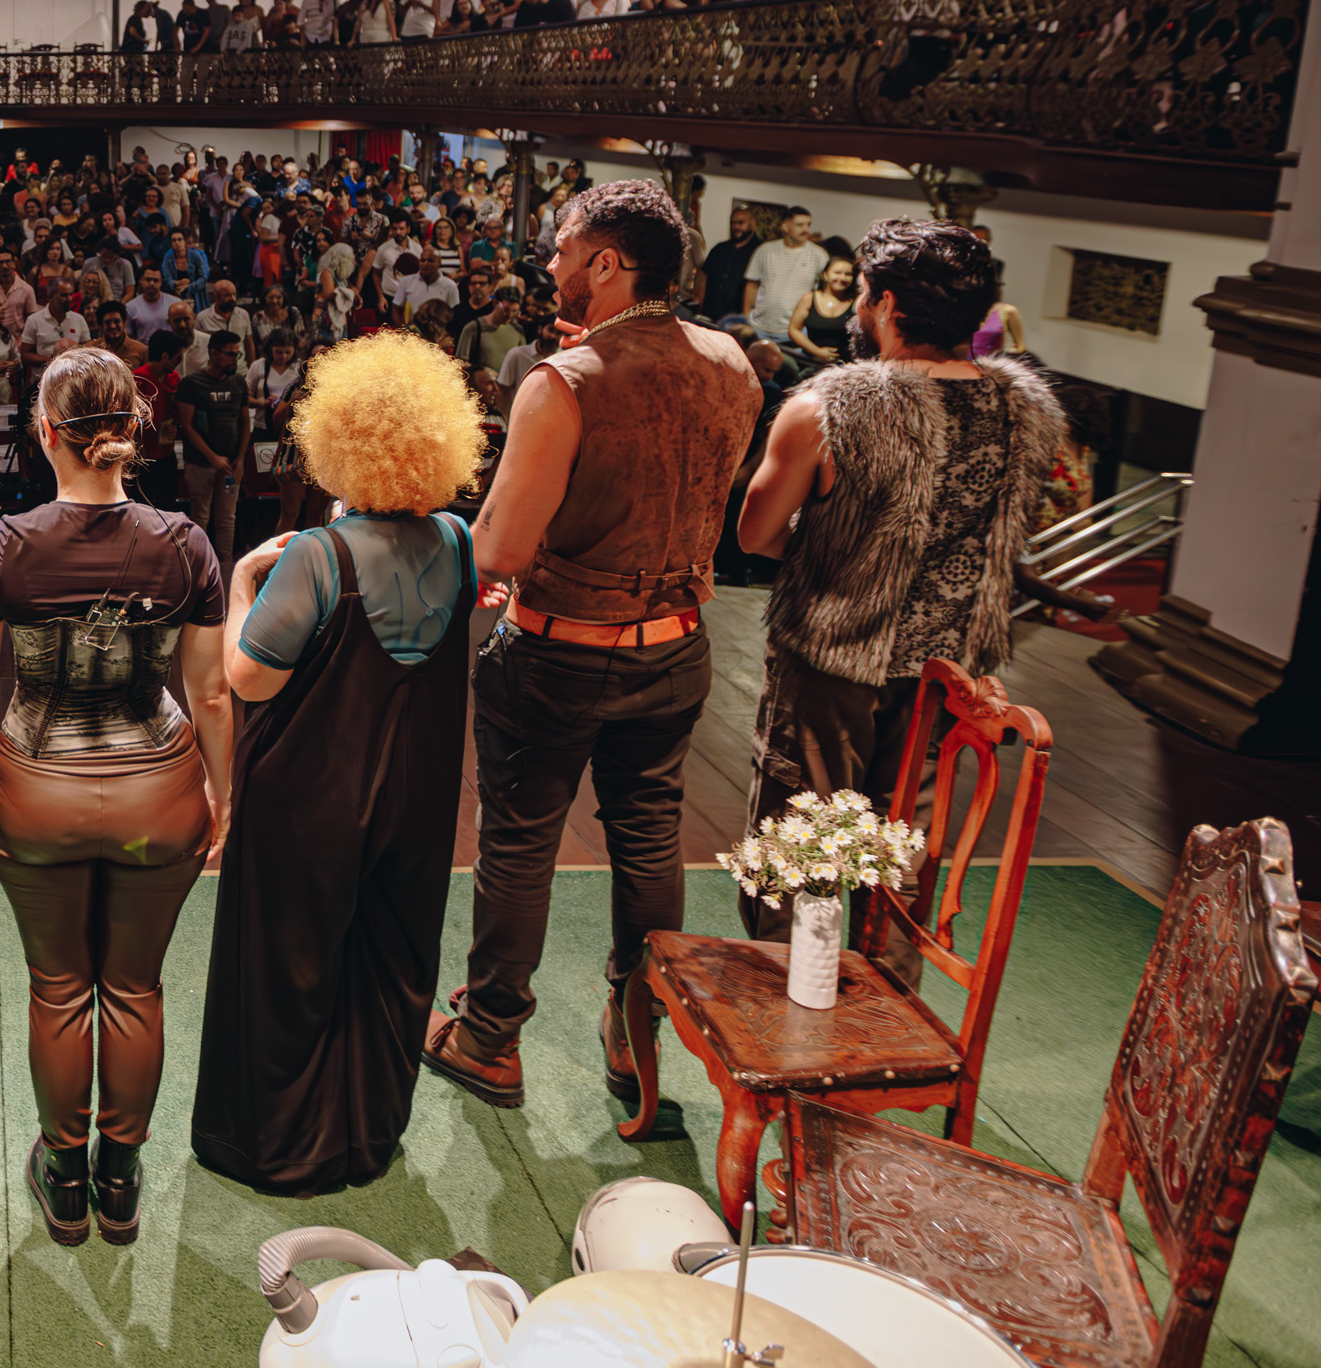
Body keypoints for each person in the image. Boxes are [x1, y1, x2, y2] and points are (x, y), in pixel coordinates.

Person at [421, 180, 759, 1110]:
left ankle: (489, 1036)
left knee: (520, 843)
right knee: (649, 838)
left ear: (607, 264)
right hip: (678, 646)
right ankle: (635, 1029)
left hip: (562, 651)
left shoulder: (562, 381)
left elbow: (500, 548)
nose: (552, 264)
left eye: (565, 249)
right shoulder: (732, 360)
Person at [193, 332, 485, 1194]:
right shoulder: (460, 541)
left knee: (286, 963)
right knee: (389, 957)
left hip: (308, 797)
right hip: (419, 793)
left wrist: (244, 577)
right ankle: (365, 1135)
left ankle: (276, 1145)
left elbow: (246, 677)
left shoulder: (318, 556)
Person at [0, 350, 229, 1245]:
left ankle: (63, 1176)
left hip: (38, 785)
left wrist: (2, 775)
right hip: (160, 788)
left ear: (44, 432)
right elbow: (211, 693)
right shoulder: (185, 543)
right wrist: (222, 793)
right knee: (136, 987)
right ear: (134, 428)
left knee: (60, 986)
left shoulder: (4, 545)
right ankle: (120, 1176)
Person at [736, 221, 1065, 941]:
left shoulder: (826, 406)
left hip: (830, 669)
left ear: (884, 304)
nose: (856, 308)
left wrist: (837, 537)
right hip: (946, 677)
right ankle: (885, 1021)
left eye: (859, 293)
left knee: (801, 854)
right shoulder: (1027, 412)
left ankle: (783, 1019)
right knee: (901, 858)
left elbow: (756, 535)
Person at [173, 329, 249, 565]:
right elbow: (186, 426)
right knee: (200, 518)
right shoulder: (191, 384)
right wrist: (212, 457)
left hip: (231, 466)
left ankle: (225, 567)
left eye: (237, 354)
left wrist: (241, 459)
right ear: (213, 353)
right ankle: (199, 568)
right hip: (200, 463)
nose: (234, 359)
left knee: (228, 519)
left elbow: (245, 423)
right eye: (229, 354)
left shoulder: (238, 382)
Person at [742, 206, 829, 339]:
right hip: (759, 328)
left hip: (794, 331)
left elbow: (824, 292)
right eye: (800, 225)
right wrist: (747, 315)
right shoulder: (765, 250)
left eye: (808, 225)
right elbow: (752, 285)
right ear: (785, 227)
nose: (806, 230)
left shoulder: (819, 255)